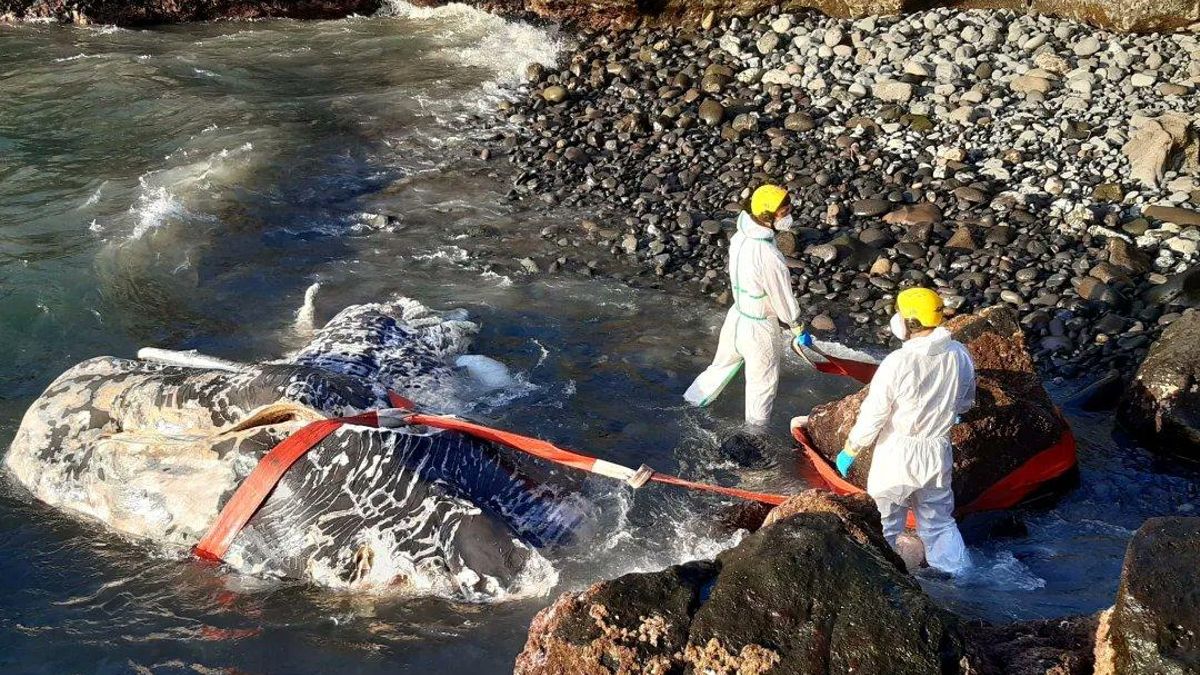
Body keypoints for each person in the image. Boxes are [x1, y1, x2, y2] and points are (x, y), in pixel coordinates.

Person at [835, 287, 975, 575]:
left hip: (897, 454)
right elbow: (966, 401)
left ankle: (885, 579)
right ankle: (961, 578)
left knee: (886, 522)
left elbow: (874, 414)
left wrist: (851, 448)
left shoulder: (898, 363)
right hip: (937, 450)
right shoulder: (959, 354)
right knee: (939, 523)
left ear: (910, 322)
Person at [684, 184, 811, 429]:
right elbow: (781, 297)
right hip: (760, 328)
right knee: (761, 387)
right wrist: (797, 325)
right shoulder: (768, 255)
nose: (789, 216)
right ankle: (755, 436)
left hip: (737, 317)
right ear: (768, 216)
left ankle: (688, 407)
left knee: (719, 368)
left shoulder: (740, 236)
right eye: (784, 212)